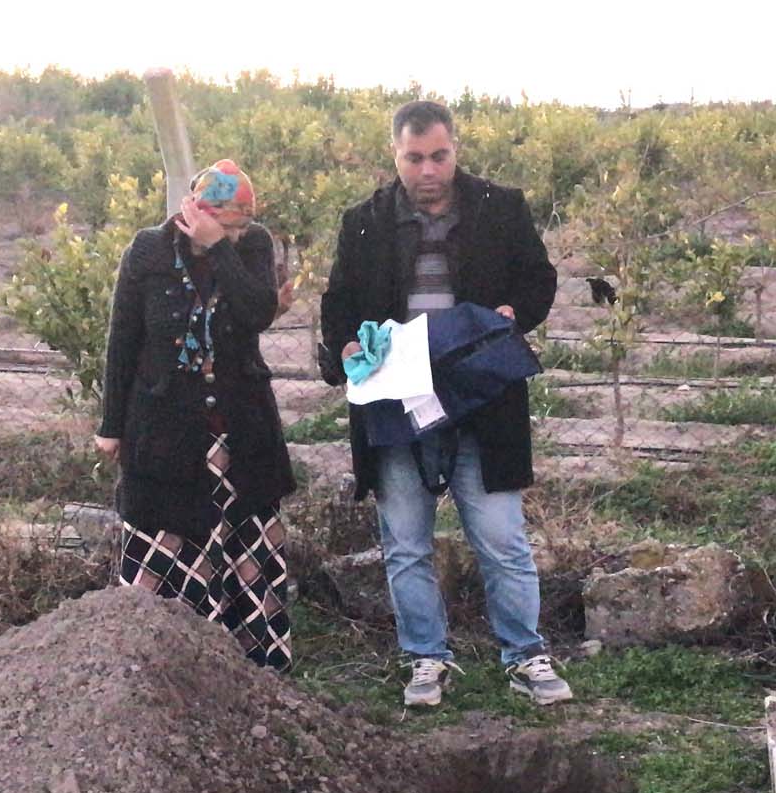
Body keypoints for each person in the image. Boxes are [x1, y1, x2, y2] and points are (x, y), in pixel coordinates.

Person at [318, 100, 571, 708]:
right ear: (395, 155)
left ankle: (526, 655)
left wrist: (514, 314)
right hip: (397, 405)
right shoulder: (364, 222)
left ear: (455, 149)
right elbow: (338, 303)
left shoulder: (500, 209)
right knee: (406, 542)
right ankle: (427, 660)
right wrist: (348, 343)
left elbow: (538, 280)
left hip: (481, 396)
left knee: (501, 537)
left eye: (438, 156)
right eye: (414, 158)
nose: (427, 170)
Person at [96, 160, 296, 670]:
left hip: (240, 436)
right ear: (195, 209)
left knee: (245, 546)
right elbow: (124, 342)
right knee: (164, 538)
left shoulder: (250, 246)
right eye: (226, 223)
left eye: (241, 224)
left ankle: (252, 672)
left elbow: (257, 311)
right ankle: (159, 673)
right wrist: (110, 426)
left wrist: (222, 247)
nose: (237, 232)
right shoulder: (148, 250)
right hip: (164, 435)